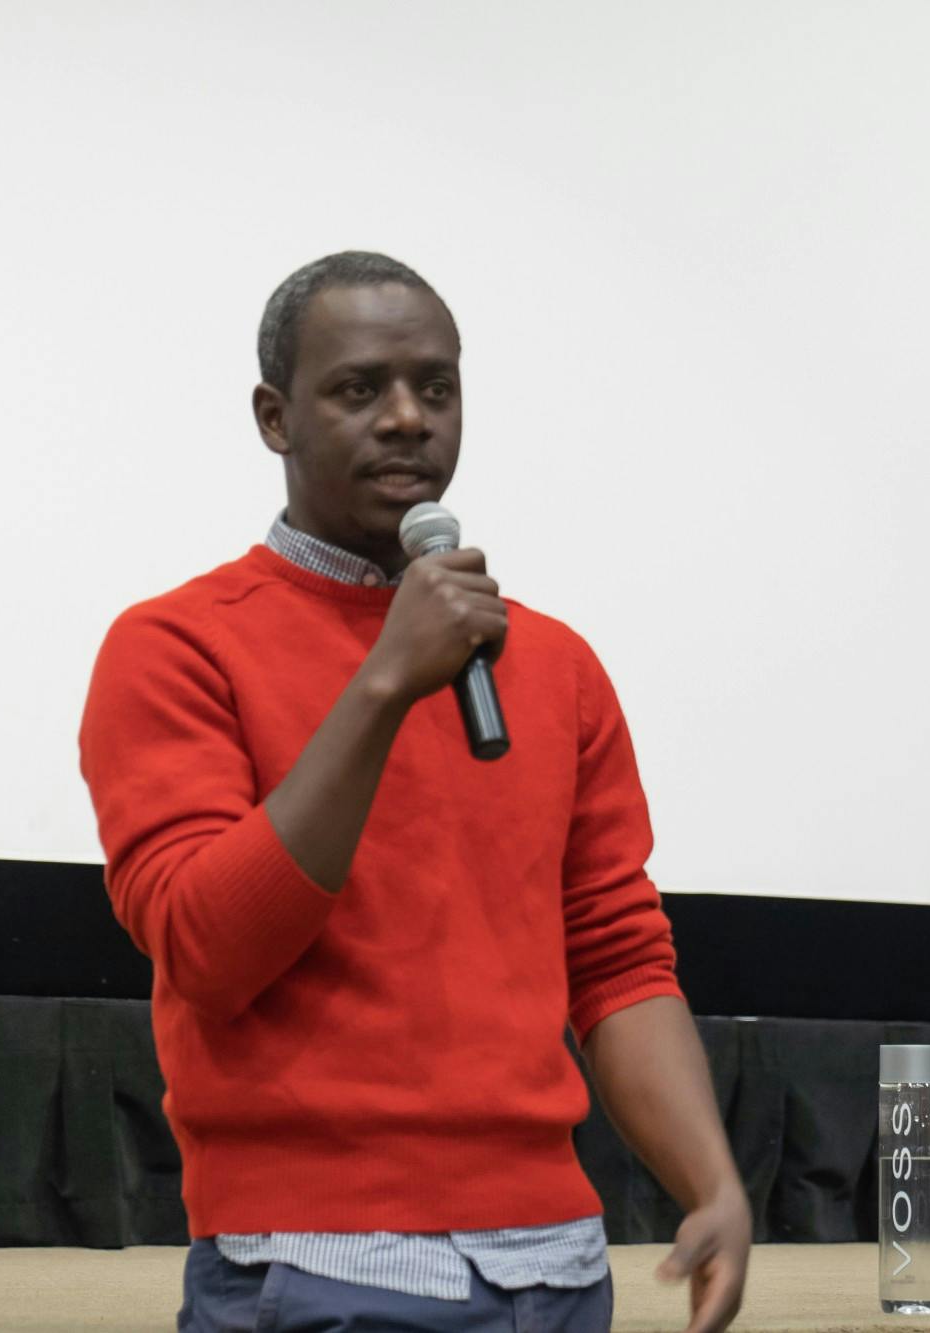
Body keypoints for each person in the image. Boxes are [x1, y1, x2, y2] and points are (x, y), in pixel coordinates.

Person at [79, 251, 750, 1333]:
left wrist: (710, 1181)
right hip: (314, 1269)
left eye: (435, 388)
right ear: (273, 416)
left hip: (560, 1269)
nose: (406, 418)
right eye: (360, 388)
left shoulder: (555, 664)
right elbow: (206, 945)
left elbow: (617, 953)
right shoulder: (174, 647)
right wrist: (387, 680)